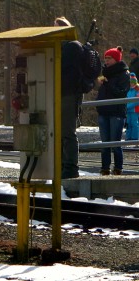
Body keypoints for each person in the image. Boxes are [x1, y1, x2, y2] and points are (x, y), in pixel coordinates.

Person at [55, 17, 84, 179]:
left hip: (68, 94)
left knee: (67, 131)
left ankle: (70, 167)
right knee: (59, 132)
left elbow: (62, 66)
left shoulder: (72, 47)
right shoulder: (67, 47)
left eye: (56, 27)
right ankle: (62, 165)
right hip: (60, 93)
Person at [95, 46, 129, 175]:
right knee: (105, 143)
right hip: (104, 111)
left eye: (109, 58)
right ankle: (105, 168)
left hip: (116, 112)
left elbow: (122, 93)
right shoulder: (106, 73)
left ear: (116, 59)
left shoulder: (124, 74)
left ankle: (118, 168)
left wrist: (108, 84)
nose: (106, 61)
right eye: (105, 58)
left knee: (115, 143)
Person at [124, 68, 139, 145]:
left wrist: (128, 106)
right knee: (128, 123)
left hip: (134, 110)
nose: (131, 84)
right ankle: (128, 137)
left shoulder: (137, 90)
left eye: (132, 83)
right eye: (130, 83)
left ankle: (135, 138)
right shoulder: (128, 90)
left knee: (134, 123)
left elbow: (136, 101)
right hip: (128, 110)